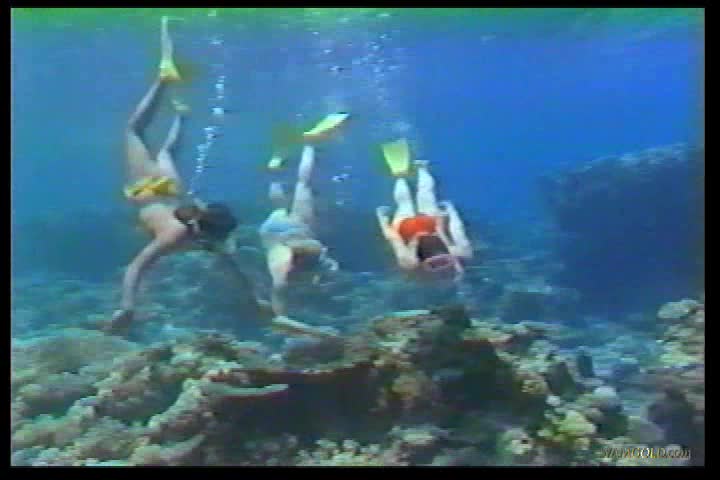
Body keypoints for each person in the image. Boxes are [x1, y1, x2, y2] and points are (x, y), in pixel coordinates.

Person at [105, 17, 269, 335]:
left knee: (166, 152)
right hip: (148, 191)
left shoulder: (204, 233)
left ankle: (182, 117)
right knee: (133, 130)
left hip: (170, 191)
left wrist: (255, 299)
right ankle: (163, 81)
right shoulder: (187, 237)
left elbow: (235, 270)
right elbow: (137, 266)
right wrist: (126, 306)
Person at [258, 144, 340, 324]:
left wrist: (281, 316)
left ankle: (309, 146)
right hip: (273, 232)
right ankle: (275, 173)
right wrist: (281, 317)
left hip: (294, 230)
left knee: (303, 184)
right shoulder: (283, 265)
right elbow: (278, 292)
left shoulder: (283, 265)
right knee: (281, 205)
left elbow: (279, 293)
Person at [376, 156, 473, 281]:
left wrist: (452, 212)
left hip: (428, 227)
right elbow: (394, 239)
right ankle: (402, 176)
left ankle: (420, 169)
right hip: (413, 229)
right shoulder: (409, 263)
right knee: (406, 203)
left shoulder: (462, 253)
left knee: (424, 197)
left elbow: (457, 230)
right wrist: (382, 220)